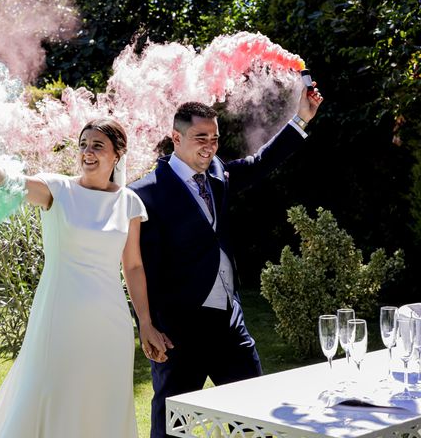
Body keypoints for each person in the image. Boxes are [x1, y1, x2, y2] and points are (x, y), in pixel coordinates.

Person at [0, 118, 170, 438]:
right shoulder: (57, 189)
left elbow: (134, 266)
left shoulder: (128, 202)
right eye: (83, 144)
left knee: (103, 402)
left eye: (97, 145)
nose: (87, 152)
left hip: (111, 325)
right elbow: (4, 180)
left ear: (117, 154)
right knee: (54, 397)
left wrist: (145, 322)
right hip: (61, 318)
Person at [128, 85, 324, 438]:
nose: (210, 146)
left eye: (215, 139)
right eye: (200, 137)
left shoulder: (218, 174)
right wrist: (145, 323)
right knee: (172, 425)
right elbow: (135, 265)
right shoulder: (145, 193)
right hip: (177, 331)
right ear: (176, 137)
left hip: (229, 324)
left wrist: (300, 119)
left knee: (254, 419)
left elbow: (260, 163)